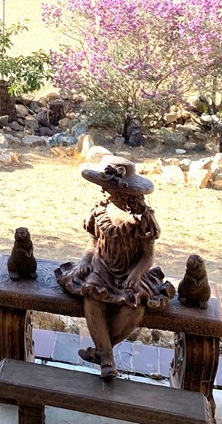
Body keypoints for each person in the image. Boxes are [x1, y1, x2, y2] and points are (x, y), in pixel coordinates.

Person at [55, 157, 174, 381]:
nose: (104, 191)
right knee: (92, 296)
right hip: (101, 268)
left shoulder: (141, 219)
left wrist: (137, 273)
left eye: (109, 188)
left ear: (126, 192)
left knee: (135, 308)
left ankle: (100, 350)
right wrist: (85, 260)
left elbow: (148, 256)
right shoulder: (100, 212)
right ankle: (108, 360)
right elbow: (93, 242)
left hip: (131, 272)